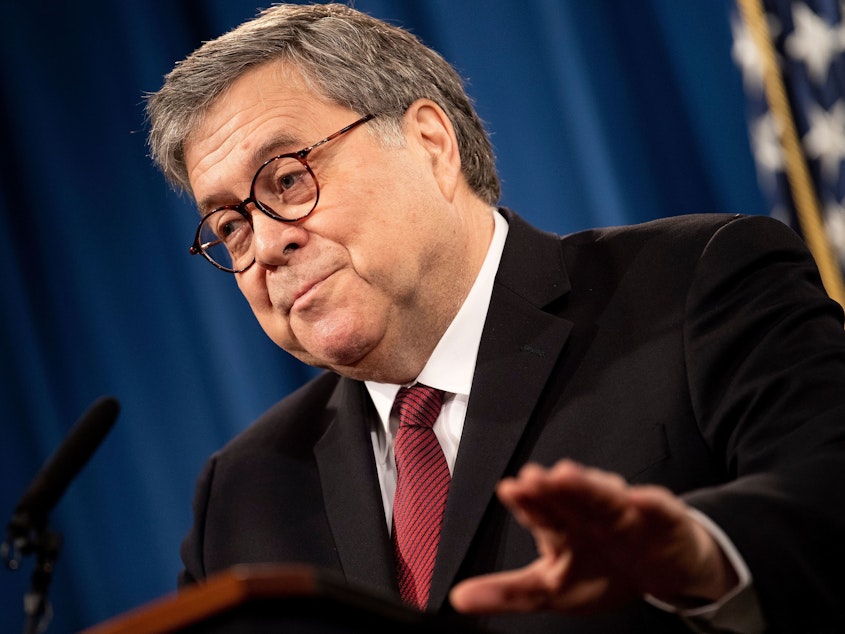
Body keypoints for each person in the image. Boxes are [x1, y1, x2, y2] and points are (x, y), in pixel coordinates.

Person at [145, 4, 845, 633]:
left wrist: (703, 556)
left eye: (288, 180)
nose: (266, 245)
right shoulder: (242, 497)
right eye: (230, 226)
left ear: (429, 143)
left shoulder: (697, 286)